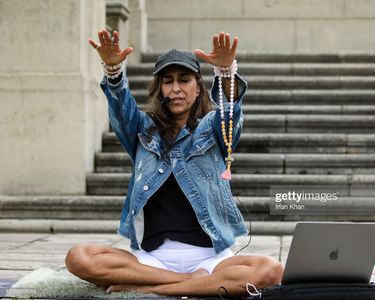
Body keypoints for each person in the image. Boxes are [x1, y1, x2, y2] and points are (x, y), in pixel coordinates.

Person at [64, 28, 284, 297]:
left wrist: (226, 72)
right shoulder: (142, 131)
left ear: (197, 86)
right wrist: (113, 69)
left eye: (184, 80)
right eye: (167, 81)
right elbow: (121, 108)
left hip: (210, 259)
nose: (176, 88)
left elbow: (230, 113)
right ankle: (189, 283)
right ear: (159, 89)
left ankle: (155, 288)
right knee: (79, 257)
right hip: (151, 260)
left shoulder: (213, 129)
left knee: (270, 269)